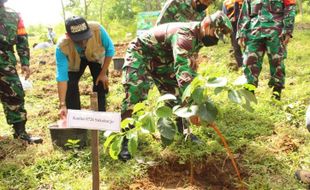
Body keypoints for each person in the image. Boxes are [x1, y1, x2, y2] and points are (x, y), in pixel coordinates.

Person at [119, 11, 232, 161]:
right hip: (140, 54)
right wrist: (193, 107)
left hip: (162, 59)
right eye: (215, 34)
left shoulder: (198, 36)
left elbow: (189, 66)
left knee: (176, 95)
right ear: (206, 24)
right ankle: (126, 140)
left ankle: (184, 131)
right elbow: (182, 71)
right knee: (135, 93)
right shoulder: (185, 35)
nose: (215, 39)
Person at [56, 16, 115, 118]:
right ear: (68, 36)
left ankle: (100, 117)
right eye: (78, 40)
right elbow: (62, 77)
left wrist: (103, 73)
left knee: (100, 82)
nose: (83, 43)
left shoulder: (97, 30)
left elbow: (110, 49)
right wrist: (62, 104)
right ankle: (75, 119)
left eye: (85, 37)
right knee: (70, 84)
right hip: (75, 61)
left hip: (96, 57)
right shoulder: (62, 47)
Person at [0, 0, 42, 144]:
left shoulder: (14, 15)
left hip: (5, 61)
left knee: (15, 93)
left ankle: (20, 133)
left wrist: (25, 62)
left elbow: (22, 40)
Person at [237, 0, 296, 100]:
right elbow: (245, 11)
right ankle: (249, 92)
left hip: (276, 32)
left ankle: (276, 93)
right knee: (249, 61)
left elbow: (290, 8)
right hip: (254, 30)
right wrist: (241, 33)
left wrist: (288, 30)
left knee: (277, 62)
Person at [222, 0, 243, 68]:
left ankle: (250, 65)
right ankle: (241, 66)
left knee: (248, 45)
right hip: (233, 26)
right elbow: (224, 17)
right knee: (236, 47)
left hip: (244, 24)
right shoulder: (226, 3)